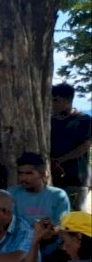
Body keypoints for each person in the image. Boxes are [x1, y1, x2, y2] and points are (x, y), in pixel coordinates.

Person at [50, 83, 91, 211]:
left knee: (76, 217)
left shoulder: (84, 120)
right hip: (54, 178)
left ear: (67, 100)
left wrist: (59, 161)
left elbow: (84, 146)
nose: (53, 104)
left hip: (77, 178)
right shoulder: (51, 121)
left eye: (56, 100)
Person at [9, 152, 70, 225]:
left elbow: (61, 225)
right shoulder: (12, 194)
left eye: (29, 173)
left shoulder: (58, 196)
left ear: (42, 174)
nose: (23, 178)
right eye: (20, 173)